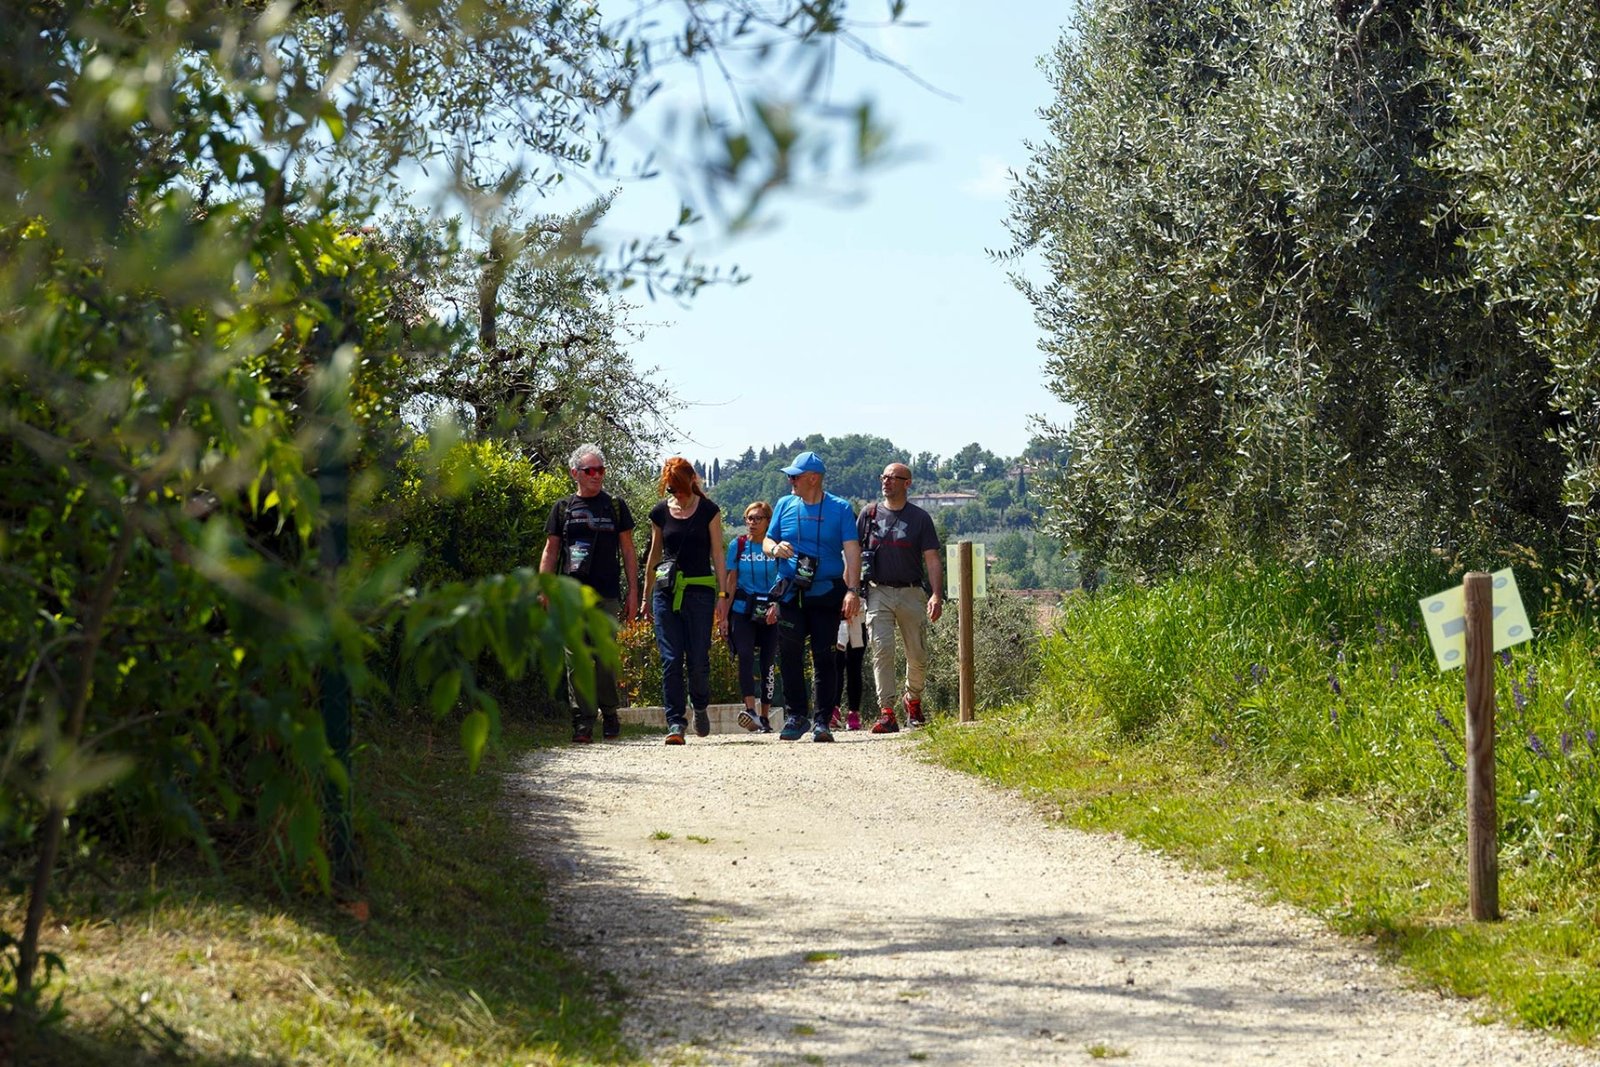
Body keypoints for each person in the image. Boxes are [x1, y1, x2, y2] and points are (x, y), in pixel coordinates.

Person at [539, 444, 639, 743]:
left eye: (601, 470)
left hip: (607, 595)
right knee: (576, 659)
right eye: (590, 470)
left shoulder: (616, 506)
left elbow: (629, 550)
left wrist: (634, 592)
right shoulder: (563, 508)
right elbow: (551, 549)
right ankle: (582, 720)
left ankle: (609, 714)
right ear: (575, 474)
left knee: (605, 658)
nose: (597, 475)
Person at [763, 450, 862, 742]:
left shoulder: (841, 508)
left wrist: (852, 591)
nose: (790, 480)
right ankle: (796, 716)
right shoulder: (784, 504)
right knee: (790, 655)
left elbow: (852, 552)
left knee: (824, 656)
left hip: (826, 592)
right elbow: (768, 539)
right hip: (791, 592)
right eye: (790, 476)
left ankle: (822, 722)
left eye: (795, 476)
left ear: (813, 478)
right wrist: (774, 549)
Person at [641, 457, 730, 744]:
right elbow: (654, 557)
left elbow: (718, 555)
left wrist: (722, 595)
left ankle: (700, 705)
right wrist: (645, 596)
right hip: (666, 593)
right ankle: (676, 723)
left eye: (679, 488)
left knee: (698, 658)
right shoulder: (660, 513)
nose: (676, 494)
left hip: (701, 593)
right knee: (670, 659)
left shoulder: (709, 511)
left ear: (692, 480)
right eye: (671, 489)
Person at [859, 461, 944, 733]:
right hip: (877, 592)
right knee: (882, 650)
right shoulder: (868, 514)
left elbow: (932, 559)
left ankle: (913, 701)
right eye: (884, 476)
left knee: (917, 654)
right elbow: (851, 553)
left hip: (911, 592)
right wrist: (850, 592)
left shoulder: (920, 518)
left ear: (907, 483)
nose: (887, 481)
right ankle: (887, 712)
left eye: (894, 477)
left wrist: (936, 595)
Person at [722, 501, 782, 733]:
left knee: (767, 662)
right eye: (749, 518)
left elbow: (783, 579)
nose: (752, 523)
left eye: (758, 518)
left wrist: (776, 605)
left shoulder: (775, 547)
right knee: (745, 656)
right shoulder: (737, 545)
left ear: (768, 521)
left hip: (769, 610)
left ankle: (765, 715)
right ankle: (750, 710)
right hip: (742, 609)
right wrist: (724, 616)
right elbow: (731, 580)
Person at [827, 610, 867, 731]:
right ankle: (834, 711)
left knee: (855, 666)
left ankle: (853, 713)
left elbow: (866, 592)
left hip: (858, 616)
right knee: (835, 665)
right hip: (834, 617)